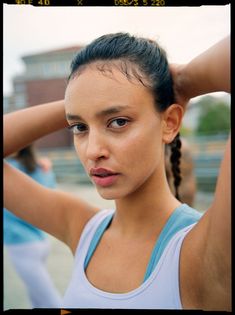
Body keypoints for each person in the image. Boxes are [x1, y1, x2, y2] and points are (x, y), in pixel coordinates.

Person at [3, 33, 230, 310]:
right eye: (79, 127)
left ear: (170, 122)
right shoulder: (84, 229)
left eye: (118, 121)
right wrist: (80, 101)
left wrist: (182, 80)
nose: (92, 150)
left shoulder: (205, 249)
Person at [4, 145, 62, 308]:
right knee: (36, 297)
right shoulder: (39, 167)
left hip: (21, 244)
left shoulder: (9, 170)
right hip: (40, 241)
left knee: (50, 301)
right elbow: (51, 195)